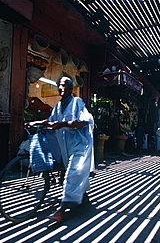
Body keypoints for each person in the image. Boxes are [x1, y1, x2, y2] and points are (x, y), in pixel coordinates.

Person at [28, 76, 94, 222]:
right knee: (75, 174)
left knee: (72, 174)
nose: (61, 88)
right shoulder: (58, 105)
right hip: (67, 146)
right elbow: (51, 121)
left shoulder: (77, 102)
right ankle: (83, 198)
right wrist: (37, 122)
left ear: (71, 89)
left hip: (80, 145)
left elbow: (84, 121)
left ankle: (62, 210)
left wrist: (63, 124)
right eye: (59, 85)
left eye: (64, 86)